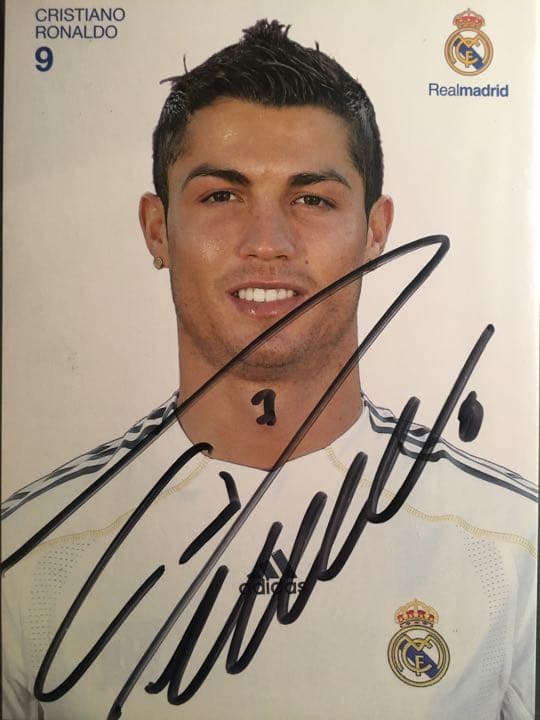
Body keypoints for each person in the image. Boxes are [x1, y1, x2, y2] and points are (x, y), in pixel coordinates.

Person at [2, 19, 536, 720]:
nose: (267, 242)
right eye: (222, 196)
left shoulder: (511, 547)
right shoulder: (31, 557)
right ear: (158, 229)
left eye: (312, 199)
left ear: (375, 232)